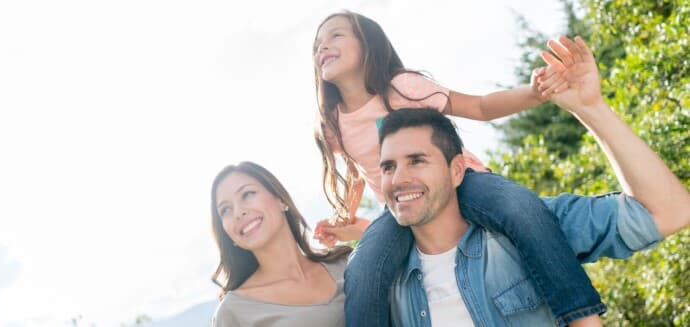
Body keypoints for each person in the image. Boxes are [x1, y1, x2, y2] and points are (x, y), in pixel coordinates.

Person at [310, 10, 599, 326]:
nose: (322, 47)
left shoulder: (402, 87)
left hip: (462, 181)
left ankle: (580, 315)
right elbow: (356, 172)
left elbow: (480, 106)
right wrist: (344, 216)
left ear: (368, 43)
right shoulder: (333, 123)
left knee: (520, 207)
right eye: (317, 45)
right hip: (402, 207)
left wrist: (533, 93)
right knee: (363, 266)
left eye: (335, 35)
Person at [378, 36, 690, 326]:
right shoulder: (382, 282)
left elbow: (669, 212)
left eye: (417, 160)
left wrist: (591, 109)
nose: (399, 178)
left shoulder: (532, 227)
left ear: (457, 170)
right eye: (388, 167)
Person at [210, 162, 351, 327]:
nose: (238, 212)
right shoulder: (233, 313)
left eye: (247, 194)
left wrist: (363, 232)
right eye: (225, 210)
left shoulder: (346, 261)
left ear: (280, 199)